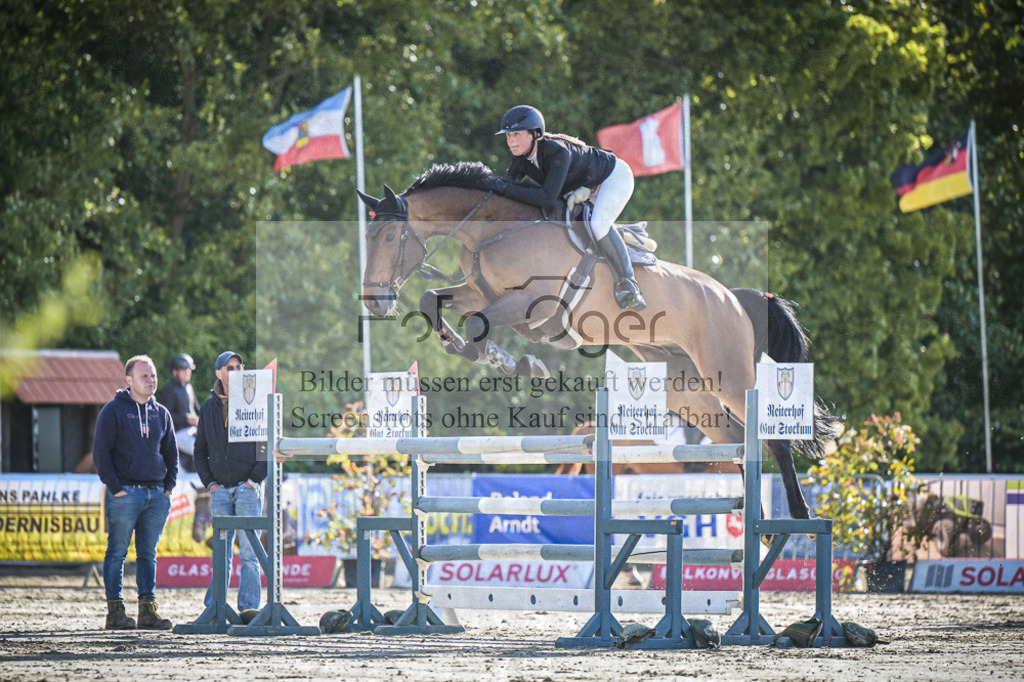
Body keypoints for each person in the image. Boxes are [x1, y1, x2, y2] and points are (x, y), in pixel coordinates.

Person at [487, 104, 647, 311]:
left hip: (613, 176)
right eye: (508, 136)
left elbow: (545, 197)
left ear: (535, 134)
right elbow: (510, 196)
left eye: (516, 134)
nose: (511, 141)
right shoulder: (520, 160)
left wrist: (502, 187)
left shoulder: (557, 151)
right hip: (586, 185)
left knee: (598, 224)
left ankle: (628, 285)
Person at [92, 355, 177, 630]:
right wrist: (115, 488)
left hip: (156, 496)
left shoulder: (162, 413)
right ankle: (115, 613)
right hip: (125, 493)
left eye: (153, 375)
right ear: (129, 380)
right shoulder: (112, 411)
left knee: (148, 554)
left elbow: (171, 455)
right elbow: (100, 453)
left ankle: (147, 612)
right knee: (117, 552)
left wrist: (168, 489)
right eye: (144, 376)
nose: (151, 380)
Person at [193, 351, 268, 618]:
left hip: (248, 487)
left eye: (239, 367)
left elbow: (267, 446)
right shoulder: (206, 407)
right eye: (230, 367)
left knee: (250, 551)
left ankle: (249, 607)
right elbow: (199, 450)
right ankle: (215, 607)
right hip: (221, 489)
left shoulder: (255, 402)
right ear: (218, 373)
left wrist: (254, 480)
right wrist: (210, 483)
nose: (236, 371)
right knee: (221, 552)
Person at [160, 353, 200, 471]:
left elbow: (197, 410)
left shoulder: (189, 387)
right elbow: (166, 415)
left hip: (190, 432)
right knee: (200, 450)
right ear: (175, 372)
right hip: (178, 433)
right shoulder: (169, 389)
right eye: (184, 370)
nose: (188, 372)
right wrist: (185, 418)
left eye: (189, 370)